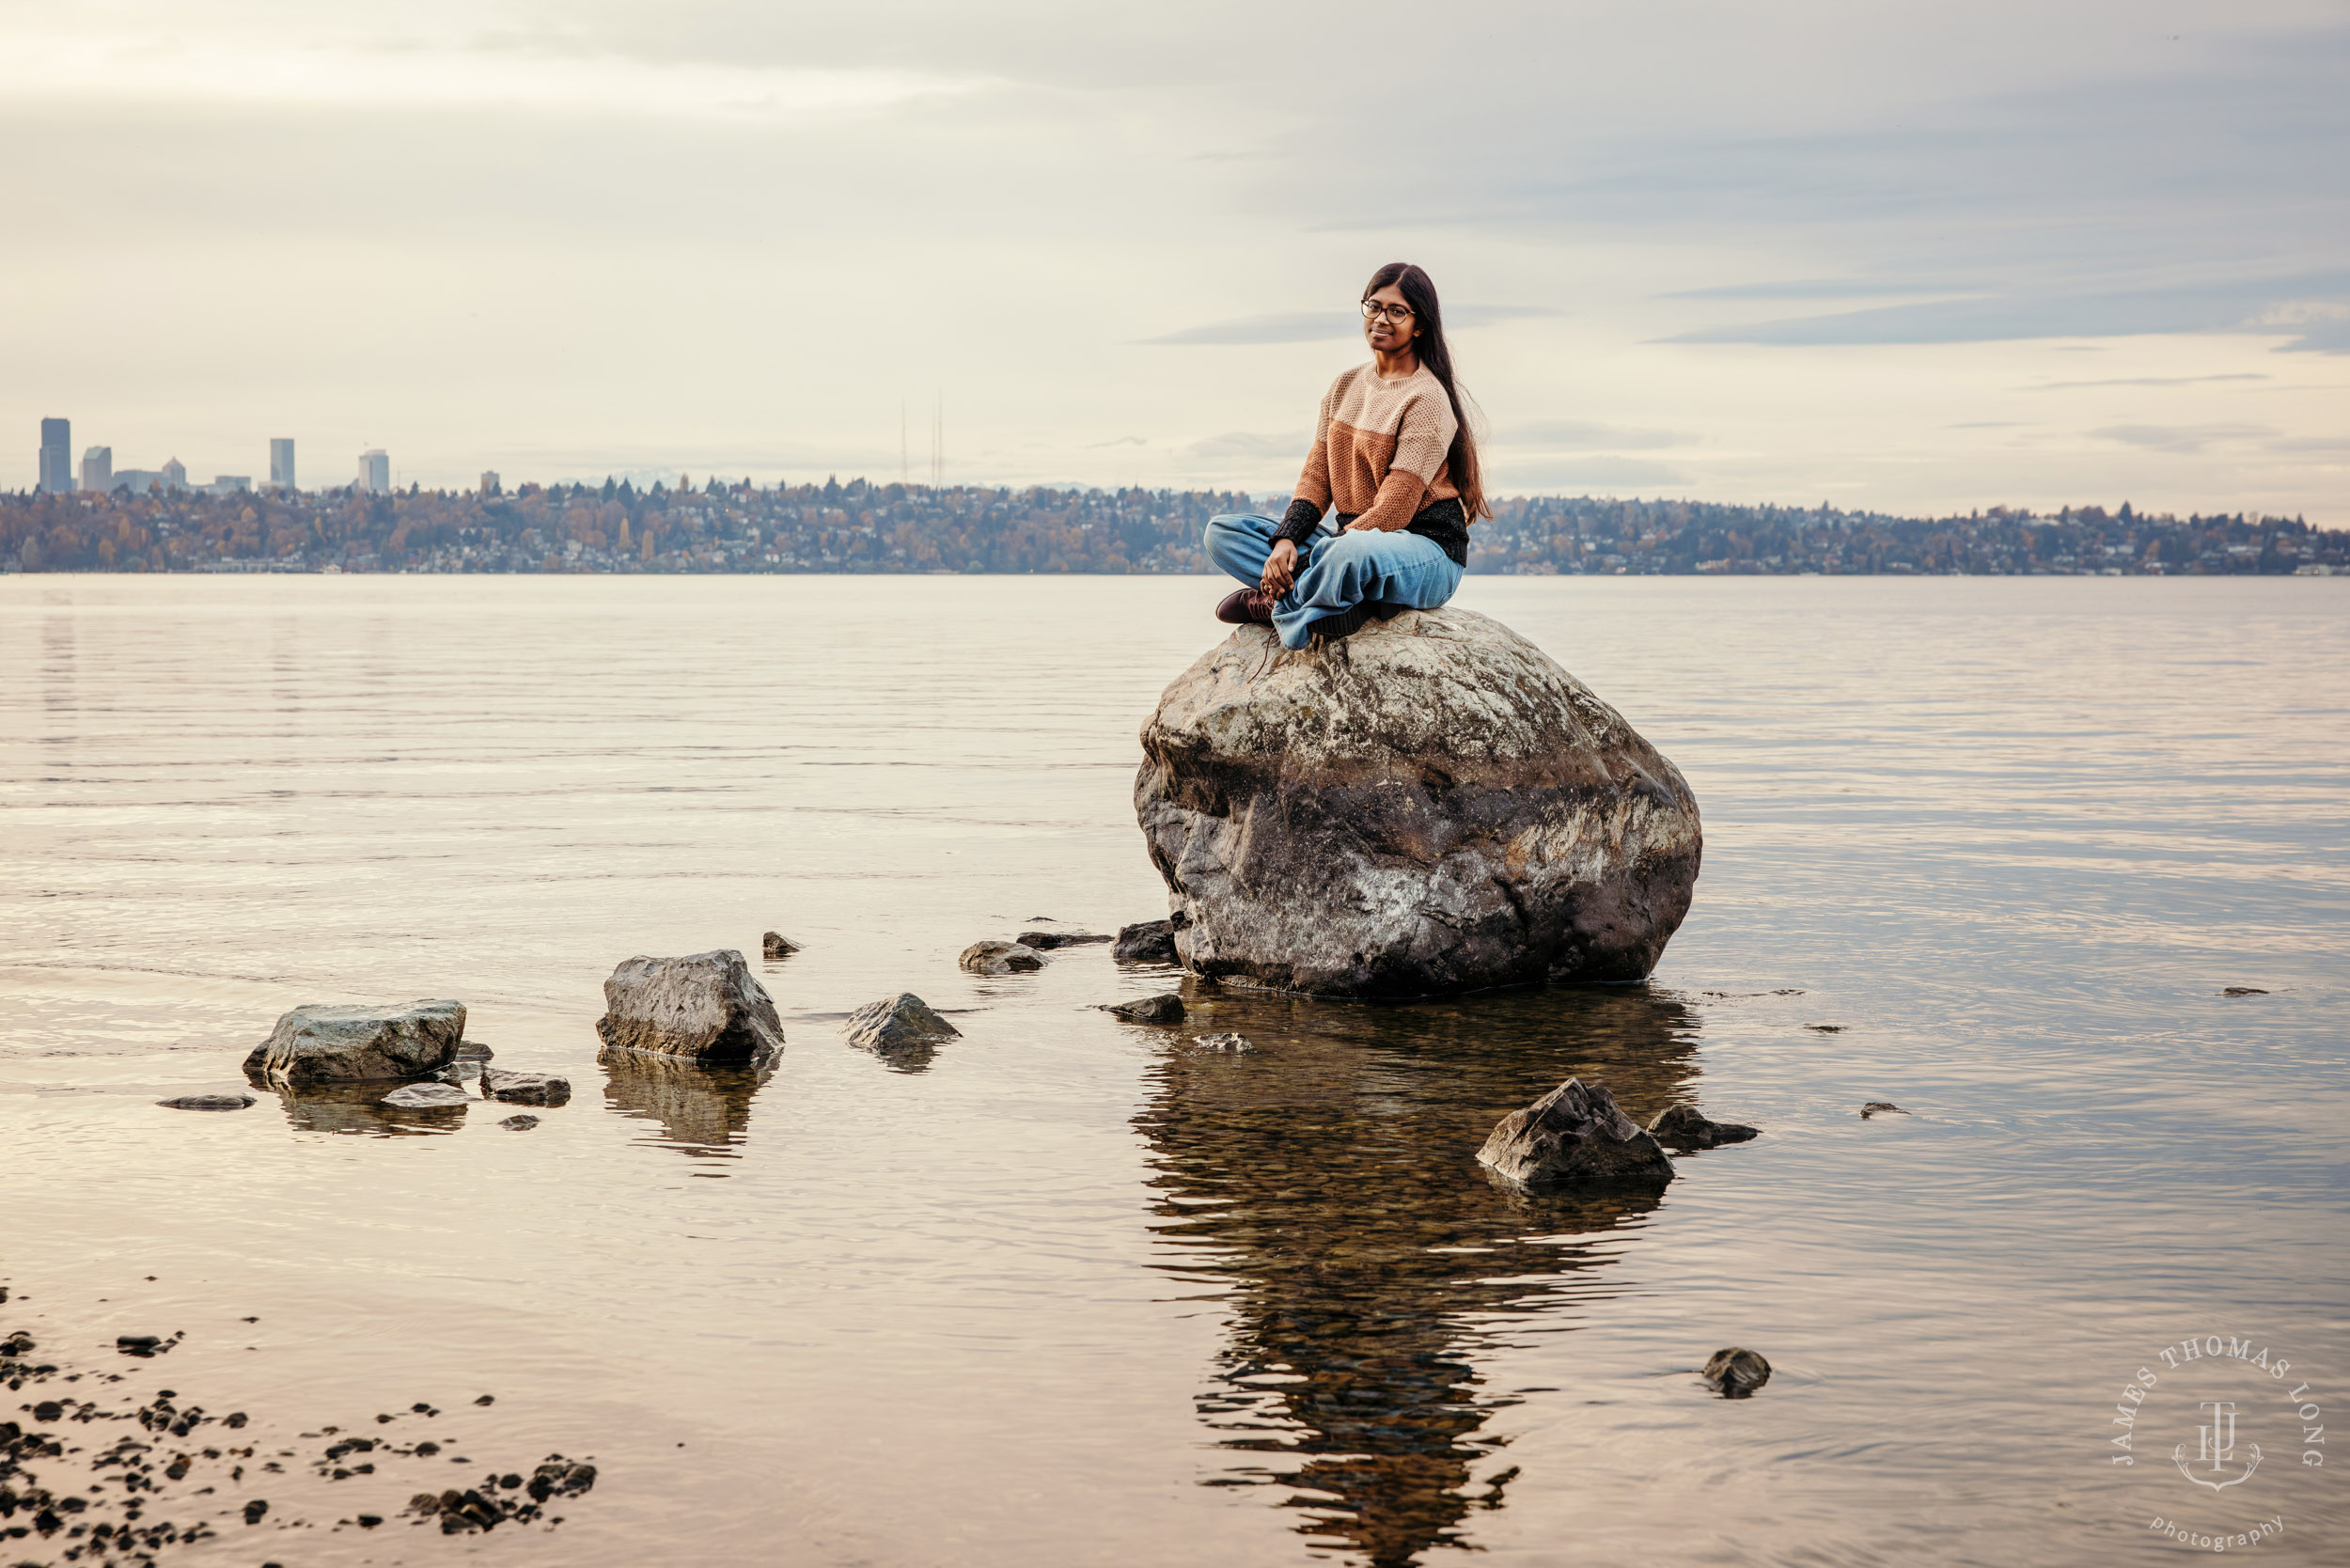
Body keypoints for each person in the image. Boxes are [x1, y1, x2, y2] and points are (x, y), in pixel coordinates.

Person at [1203, 262, 1489, 648]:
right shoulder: (1345, 386)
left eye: (1397, 311)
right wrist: (1286, 540)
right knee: (1223, 533)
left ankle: (1278, 605)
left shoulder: (1428, 399)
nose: (1381, 318)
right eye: (1374, 306)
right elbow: (1317, 477)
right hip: (1348, 543)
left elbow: (1394, 511)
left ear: (1419, 325)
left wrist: (1311, 559)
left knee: (1349, 552)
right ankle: (1338, 602)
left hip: (1424, 553)